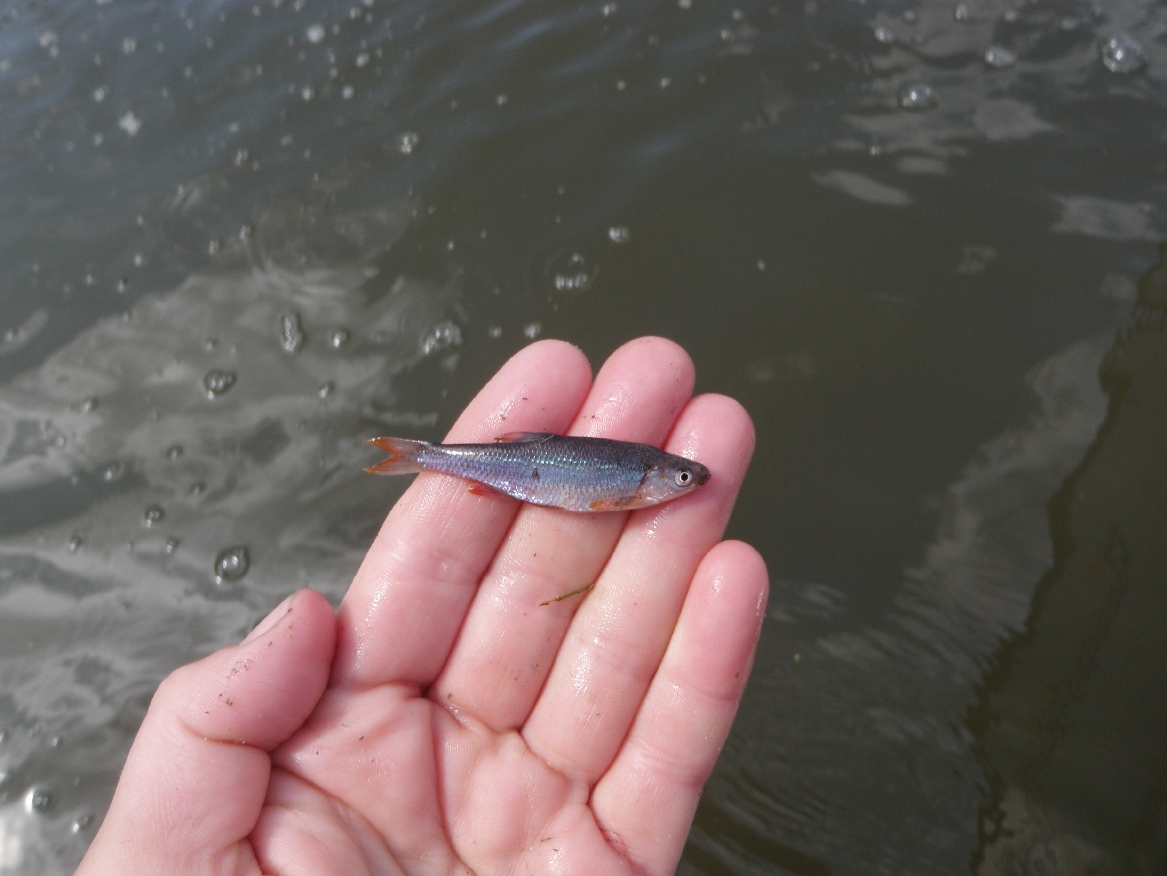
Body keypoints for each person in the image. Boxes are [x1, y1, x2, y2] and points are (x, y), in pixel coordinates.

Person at [75, 336, 768, 876]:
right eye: (681, 478)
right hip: (519, 469)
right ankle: (422, 455)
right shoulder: (632, 477)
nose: (683, 484)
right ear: (655, 475)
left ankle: (420, 454)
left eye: (683, 478)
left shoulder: (636, 477)